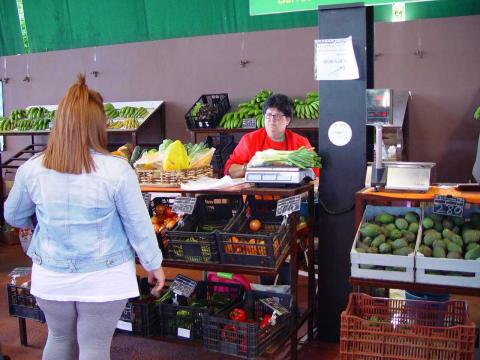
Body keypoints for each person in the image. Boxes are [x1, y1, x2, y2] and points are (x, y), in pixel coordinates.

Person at [4, 74, 165, 360]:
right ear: (97, 124)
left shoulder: (32, 168)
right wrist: (153, 265)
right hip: (105, 276)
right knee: (94, 347)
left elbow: (13, 214)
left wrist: (35, 222)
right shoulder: (117, 170)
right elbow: (138, 225)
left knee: (58, 337)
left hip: (51, 274)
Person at [224, 93, 319, 178]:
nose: (272, 120)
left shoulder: (300, 142)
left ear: (288, 120)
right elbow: (229, 170)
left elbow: (315, 173)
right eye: (268, 115)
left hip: (293, 195)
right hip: (257, 195)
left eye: (277, 116)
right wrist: (247, 167)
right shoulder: (249, 139)